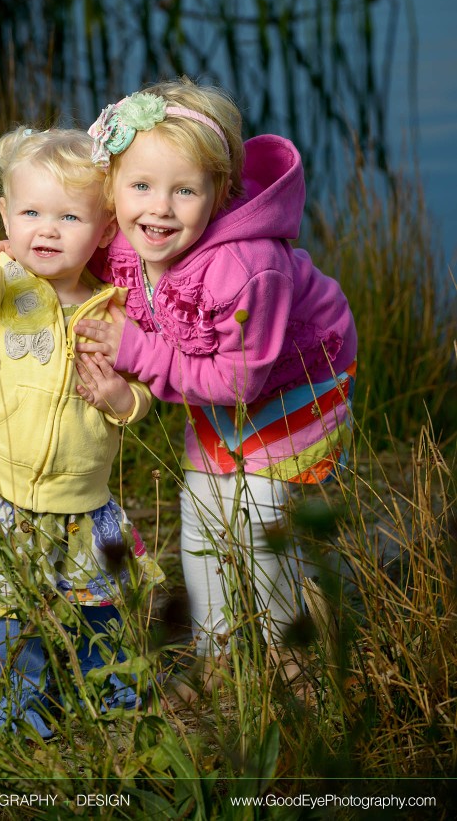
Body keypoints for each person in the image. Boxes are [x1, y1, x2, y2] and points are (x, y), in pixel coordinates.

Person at [73, 79, 358, 698]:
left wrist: (138, 352)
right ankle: (218, 650)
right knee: (201, 516)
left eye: (185, 191)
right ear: (113, 185)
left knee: (262, 522)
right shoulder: (126, 239)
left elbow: (238, 380)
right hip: (209, 386)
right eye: (141, 186)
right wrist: (3, 249)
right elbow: (65, 249)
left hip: (295, 384)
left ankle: (296, 657)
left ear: (221, 191)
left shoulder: (246, 269)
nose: (159, 209)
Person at [0, 126, 163, 736]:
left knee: (99, 609)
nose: (47, 229)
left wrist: (124, 397)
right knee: (9, 617)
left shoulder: (115, 308)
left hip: (79, 497)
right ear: (9, 219)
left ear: (102, 232)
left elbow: (144, 389)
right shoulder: (2, 287)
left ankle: (115, 697)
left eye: (69, 216)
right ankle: (20, 712)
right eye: (32, 212)